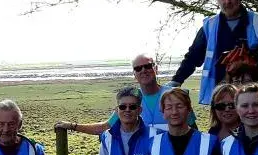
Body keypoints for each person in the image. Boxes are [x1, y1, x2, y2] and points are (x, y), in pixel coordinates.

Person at [168, 0, 258, 106]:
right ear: (218, 0)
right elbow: (193, 57)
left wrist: (257, 57)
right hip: (221, 95)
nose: (227, 1)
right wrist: (177, 80)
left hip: (254, 93)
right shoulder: (209, 25)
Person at [56, 53, 189, 139]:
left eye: (148, 66)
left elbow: (192, 130)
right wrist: (73, 126)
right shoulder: (131, 100)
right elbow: (105, 127)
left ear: (156, 69)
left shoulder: (175, 95)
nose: (143, 70)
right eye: (138, 68)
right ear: (134, 74)